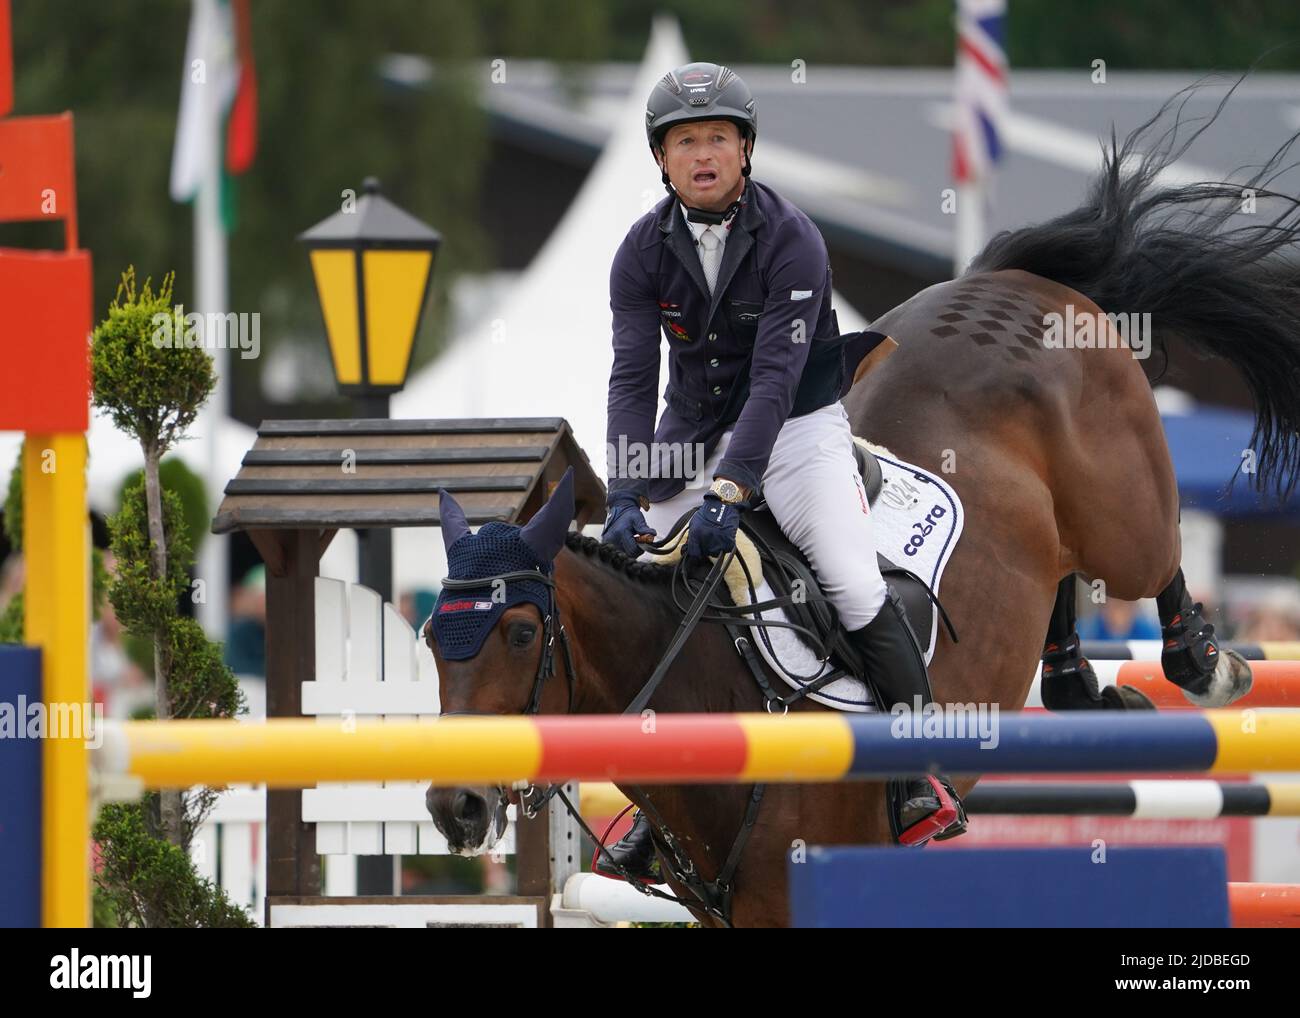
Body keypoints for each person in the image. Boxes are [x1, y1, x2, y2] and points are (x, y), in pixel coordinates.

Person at [597, 62, 966, 882]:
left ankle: (914, 777)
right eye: (685, 142)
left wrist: (733, 489)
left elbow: (771, 382)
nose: (702, 155)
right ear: (661, 158)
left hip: (796, 430)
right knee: (632, 585)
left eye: (717, 139)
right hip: (687, 439)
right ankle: (655, 806)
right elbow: (630, 380)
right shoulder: (638, 252)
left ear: (746, 148)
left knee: (852, 582)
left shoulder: (793, 237)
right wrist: (625, 490)